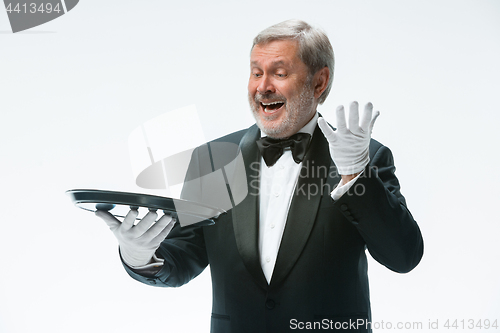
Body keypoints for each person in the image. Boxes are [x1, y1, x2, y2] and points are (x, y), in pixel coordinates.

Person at [96, 19, 423, 332]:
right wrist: (139, 256)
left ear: (319, 82)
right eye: (256, 73)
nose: (262, 87)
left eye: (279, 73)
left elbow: (403, 256)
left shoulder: (367, 157)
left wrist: (355, 175)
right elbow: (183, 258)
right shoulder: (213, 159)